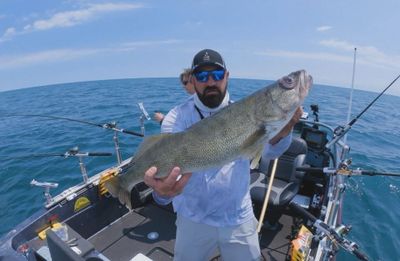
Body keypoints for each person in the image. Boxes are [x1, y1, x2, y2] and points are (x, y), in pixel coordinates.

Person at [144, 49, 303, 261]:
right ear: (192, 80)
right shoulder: (176, 118)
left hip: (237, 215)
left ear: (226, 76)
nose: (210, 81)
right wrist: (162, 193)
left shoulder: (248, 111)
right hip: (193, 217)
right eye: (202, 76)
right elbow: (166, 177)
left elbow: (271, 152)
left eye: (217, 75)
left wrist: (285, 127)